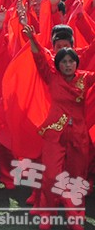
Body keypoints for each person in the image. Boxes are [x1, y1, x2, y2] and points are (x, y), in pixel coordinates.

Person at [22, 24, 92, 230]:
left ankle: (75, 216)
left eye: (71, 61)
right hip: (54, 134)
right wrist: (32, 38)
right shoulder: (51, 78)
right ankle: (47, 213)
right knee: (51, 176)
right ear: (58, 64)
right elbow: (38, 59)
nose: (68, 65)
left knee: (77, 177)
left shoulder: (85, 79)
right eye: (64, 62)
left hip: (79, 135)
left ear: (76, 64)